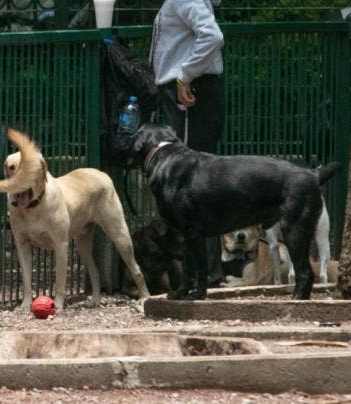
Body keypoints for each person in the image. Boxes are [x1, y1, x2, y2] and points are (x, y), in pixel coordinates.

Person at [148, 0, 226, 292]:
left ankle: (199, 277)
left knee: (192, 184)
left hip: (191, 93)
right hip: (191, 90)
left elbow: (213, 36)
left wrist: (185, 74)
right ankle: (203, 275)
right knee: (196, 183)